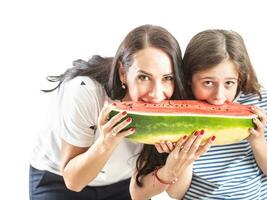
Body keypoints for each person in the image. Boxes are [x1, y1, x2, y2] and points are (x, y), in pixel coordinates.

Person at [29, 24, 187, 200]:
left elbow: (143, 191)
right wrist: (106, 143)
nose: (156, 94)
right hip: (58, 181)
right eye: (144, 77)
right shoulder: (84, 91)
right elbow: (73, 181)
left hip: (123, 183)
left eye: (167, 78)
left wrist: (176, 161)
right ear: (122, 73)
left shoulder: (175, 102)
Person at [180, 29, 267, 199]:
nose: (219, 96)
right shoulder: (179, 112)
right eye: (208, 82)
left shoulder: (261, 102)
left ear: (240, 76)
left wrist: (258, 141)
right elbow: (176, 194)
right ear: (188, 78)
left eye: (229, 83)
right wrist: (186, 156)